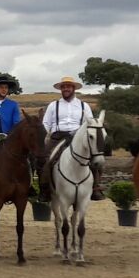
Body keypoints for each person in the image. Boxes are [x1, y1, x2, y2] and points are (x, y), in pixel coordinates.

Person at [39, 74, 105, 202]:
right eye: (63, 87)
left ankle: (95, 188)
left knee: (96, 159)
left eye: (68, 86)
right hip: (58, 137)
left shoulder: (84, 106)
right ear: (61, 89)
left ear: (73, 88)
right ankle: (44, 190)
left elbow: (89, 123)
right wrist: (44, 137)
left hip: (78, 137)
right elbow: (46, 123)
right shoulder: (53, 105)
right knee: (45, 159)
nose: (66, 89)